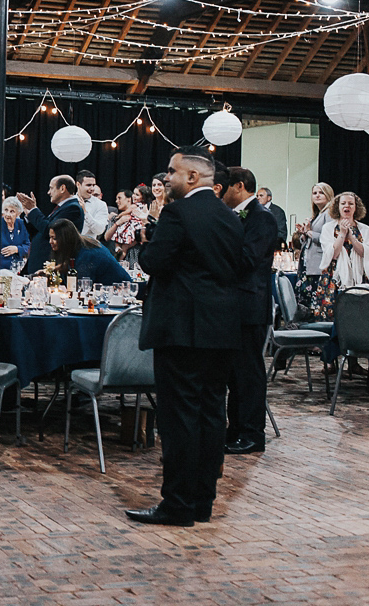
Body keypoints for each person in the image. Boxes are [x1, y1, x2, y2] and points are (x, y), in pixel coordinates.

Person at [127, 146, 244, 527]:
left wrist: (149, 241)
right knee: (212, 415)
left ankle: (176, 504)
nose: (167, 179)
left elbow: (154, 263)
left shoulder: (178, 212)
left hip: (182, 329)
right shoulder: (230, 218)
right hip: (222, 328)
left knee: (179, 419)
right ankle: (202, 502)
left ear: (193, 177)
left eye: (172, 172)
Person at [221, 167, 277, 456]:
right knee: (234, 374)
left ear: (239, 187)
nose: (220, 193)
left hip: (250, 305)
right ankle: (235, 429)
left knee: (249, 374)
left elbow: (248, 260)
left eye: (225, 187)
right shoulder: (235, 216)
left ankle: (253, 434)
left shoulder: (262, 218)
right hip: (234, 305)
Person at [313, 192, 369, 321]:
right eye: (343, 203)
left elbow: (367, 252)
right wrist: (342, 234)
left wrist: (352, 237)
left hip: (358, 277)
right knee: (334, 317)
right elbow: (332, 254)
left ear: (356, 208)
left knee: (359, 318)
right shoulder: (328, 228)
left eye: (351, 203)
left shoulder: (365, 229)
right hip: (333, 276)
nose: (347, 206)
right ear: (338, 207)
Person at [18, 175, 83, 275]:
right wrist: (29, 213)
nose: (48, 192)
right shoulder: (62, 207)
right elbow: (40, 232)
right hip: (38, 264)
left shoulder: (73, 208)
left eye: (51, 188)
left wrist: (33, 210)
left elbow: (50, 231)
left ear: (62, 188)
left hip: (50, 265)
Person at [290, 182, 334, 314]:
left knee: (313, 304)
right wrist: (304, 233)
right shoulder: (318, 214)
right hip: (308, 263)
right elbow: (309, 241)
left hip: (318, 265)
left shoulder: (329, 213)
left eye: (321, 193)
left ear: (328, 195)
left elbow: (329, 239)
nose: (317, 196)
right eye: (315, 193)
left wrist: (309, 232)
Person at [47, 219, 130, 285]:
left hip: (121, 293)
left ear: (65, 239)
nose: (50, 242)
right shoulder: (81, 244)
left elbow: (83, 288)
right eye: (50, 237)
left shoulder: (87, 255)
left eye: (54, 238)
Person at [105, 188, 146, 264]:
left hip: (135, 257)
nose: (117, 201)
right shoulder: (115, 218)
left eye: (119, 198)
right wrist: (117, 223)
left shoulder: (140, 212)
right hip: (117, 258)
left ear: (128, 199)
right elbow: (106, 237)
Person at [76, 169, 109, 241]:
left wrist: (85, 213)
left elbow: (99, 230)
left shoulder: (100, 205)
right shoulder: (69, 200)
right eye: (88, 185)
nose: (92, 188)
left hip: (88, 247)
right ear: (78, 184)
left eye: (93, 185)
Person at [0, 196, 30, 271]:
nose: (8, 214)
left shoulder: (21, 224)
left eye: (12, 211)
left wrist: (17, 249)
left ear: (18, 213)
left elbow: (28, 246)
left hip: (18, 269)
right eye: (6, 210)